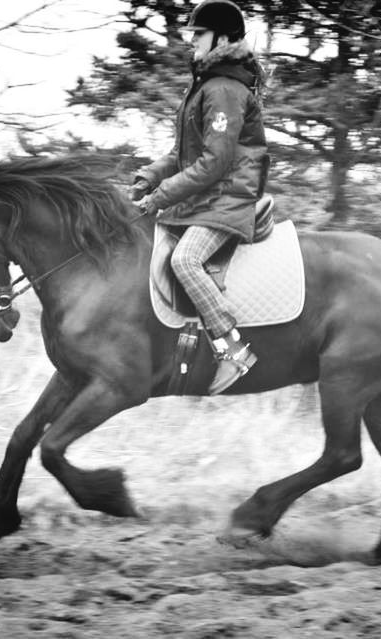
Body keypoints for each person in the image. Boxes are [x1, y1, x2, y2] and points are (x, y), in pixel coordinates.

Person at [133, 0, 268, 395]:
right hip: (206, 198)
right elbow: (183, 156)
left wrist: (159, 197)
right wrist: (147, 179)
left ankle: (234, 350)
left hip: (227, 199)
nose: (191, 41)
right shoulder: (206, 84)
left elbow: (214, 163)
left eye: (199, 35)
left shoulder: (225, 89)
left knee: (185, 259)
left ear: (222, 39)